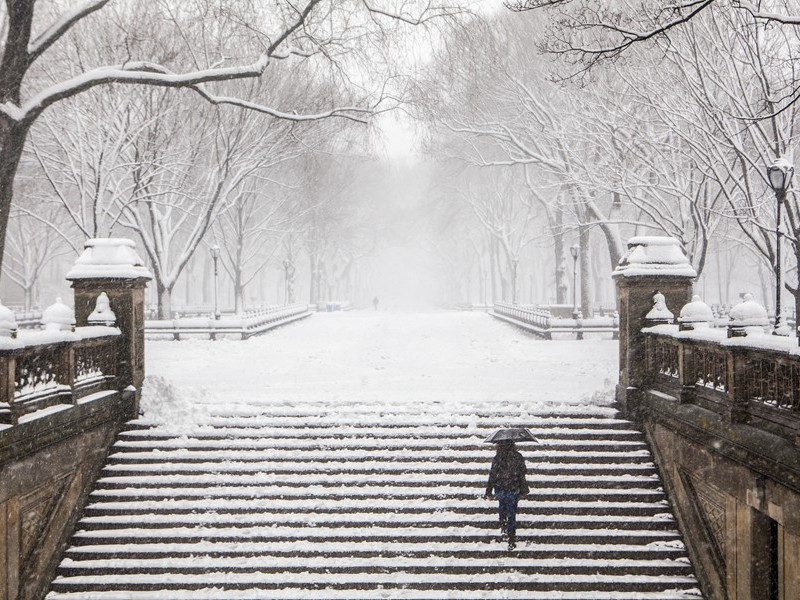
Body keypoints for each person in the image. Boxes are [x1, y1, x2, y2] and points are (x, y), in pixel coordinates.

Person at [484, 439, 529, 550]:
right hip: (513, 488)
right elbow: (522, 473)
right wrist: (524, 489)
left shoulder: (497, 457)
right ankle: (511, 537)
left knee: (502, 505)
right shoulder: (518, 456)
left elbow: (492, 475)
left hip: (501, 487)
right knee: (512, 513)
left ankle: (503, 521)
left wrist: (488, 491)